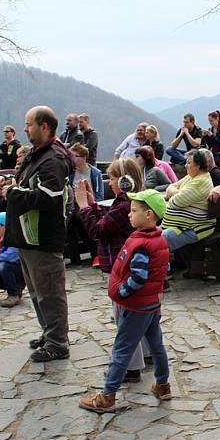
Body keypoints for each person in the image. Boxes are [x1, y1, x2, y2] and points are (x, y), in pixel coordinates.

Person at [78, 189, 172, 413]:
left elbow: (139, 277)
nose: (129, 215)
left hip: (136, 306)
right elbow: (164, 269)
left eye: (134, 211)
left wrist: (122, 292)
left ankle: (107, 397)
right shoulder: (159, 239)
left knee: (121, 350)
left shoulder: (142, 244)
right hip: (151, 305)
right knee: (157, 346)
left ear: (148, 214)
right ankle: (162, 384)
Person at [4, 105, 74, 362]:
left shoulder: (53, 158)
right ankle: (50, 333)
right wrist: (12, 185)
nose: (25, 128)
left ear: (44, 127)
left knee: (50, 292)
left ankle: (58, 343)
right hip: (28, 237)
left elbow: (50, 198)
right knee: (37, 291)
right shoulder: (39, 154)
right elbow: (28, 185)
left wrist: (13, 193)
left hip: (42, 237)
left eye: (29, 124)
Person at [76, 156, 147, 382]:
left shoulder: (124, 206)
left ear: (126, 181)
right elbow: (107, 225)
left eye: (114, 178)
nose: (110, 182)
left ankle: (130, 367)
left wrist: (83, 207)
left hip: (122, 267)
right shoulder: (132, 203)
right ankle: (146, 353)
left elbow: (98, 231)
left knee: (123, 319)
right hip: (129, 266)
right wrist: (93, 205)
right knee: (137, 315)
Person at [161, 149, 215, 252]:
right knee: (147, 234)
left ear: (198, 165)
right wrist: (178, 192)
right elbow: (171, 186)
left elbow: (175, 202)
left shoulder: (200, 182)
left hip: (195, 228)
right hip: (182, 225)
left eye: (189, 162)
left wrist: (174, 194)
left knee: (157, 241)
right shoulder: (191, 177)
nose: (185, 165)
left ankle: (159, 266)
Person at [65, 143, 104, 265]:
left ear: (83, 157)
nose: (72, 159)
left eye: (75, 156)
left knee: (81, 219)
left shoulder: (95, 173)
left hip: (90, 205)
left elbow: (99, 195)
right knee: (70, 221)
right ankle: (74, 257)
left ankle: (96, 254)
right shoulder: (70, 173)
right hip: (73, 206)